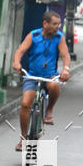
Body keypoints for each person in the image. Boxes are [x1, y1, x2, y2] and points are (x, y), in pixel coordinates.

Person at [12, 10, 70, 150]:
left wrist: (65, 69)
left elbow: (65, 55)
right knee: (25, 104)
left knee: (55, 86)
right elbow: (20, 51)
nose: (58, 27)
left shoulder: (59, 37)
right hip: (32, 75)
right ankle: (24, 137)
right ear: (45, 24)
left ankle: (49, 111)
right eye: (55, 24)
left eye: (59, 24)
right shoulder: (34, 35)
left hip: (50, 75)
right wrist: (16, 62)